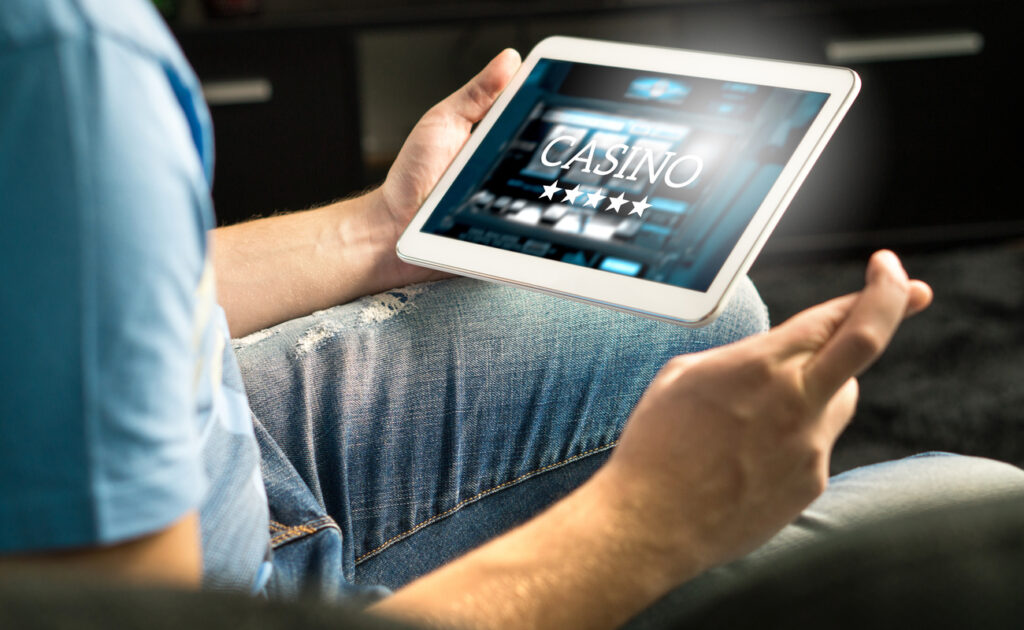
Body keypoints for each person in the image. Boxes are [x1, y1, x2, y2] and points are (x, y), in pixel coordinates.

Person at [1, 1, 1022, 629]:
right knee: (984, 515)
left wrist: (376, 233)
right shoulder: (66, 53)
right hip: (221, 590)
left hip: (211, 452)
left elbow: (74, 292)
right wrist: (644, 525)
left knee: (703, 314)